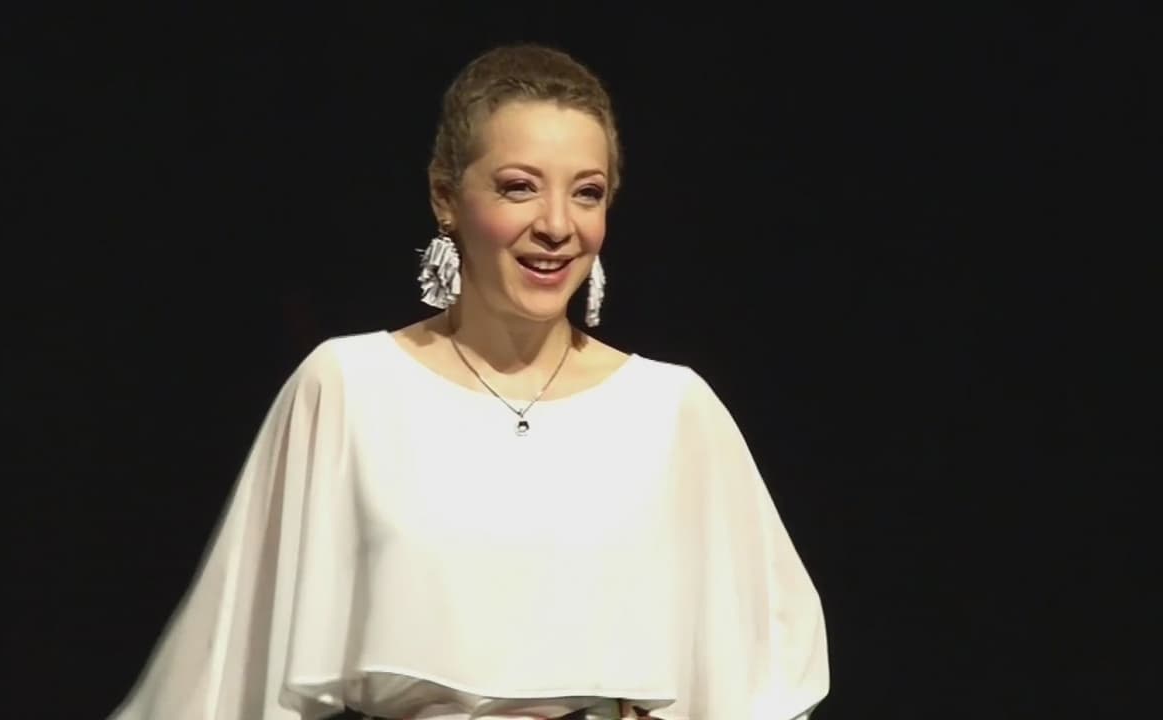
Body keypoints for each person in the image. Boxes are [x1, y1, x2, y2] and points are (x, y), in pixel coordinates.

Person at [107, 44, 829, 720]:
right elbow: (227, 675)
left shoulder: (673, 412)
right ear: (445, 196)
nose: (557, 225)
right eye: (519, 188)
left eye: (587, 193)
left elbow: (763, 677)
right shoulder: (348, 388)